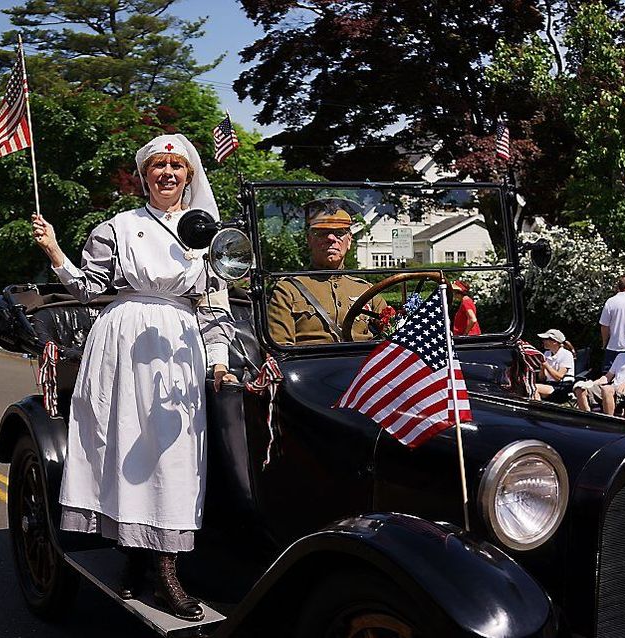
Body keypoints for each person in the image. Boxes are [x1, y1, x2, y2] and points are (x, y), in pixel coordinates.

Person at [31, 133, 237, 621]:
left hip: (177, 345)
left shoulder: (208, 232)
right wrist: (56, 251)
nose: (168, 173)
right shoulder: (118, 228)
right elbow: (89, 288)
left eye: (177, 165)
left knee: (172, 455)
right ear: (144, 175)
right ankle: (133, 556)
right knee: (123, 446)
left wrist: (219, 360)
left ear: (189, 174)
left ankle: (165, 569)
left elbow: (214, 303)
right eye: (158, 166)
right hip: (122, 338)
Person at [266, 200, 385, 344]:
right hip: (311, 364)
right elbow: (281, 349)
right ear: (309, 240)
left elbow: (394, 335)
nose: (331, 238)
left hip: (364, 363)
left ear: (349, 241)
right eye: (322, 233)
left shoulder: (366, 291)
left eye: (339, 233)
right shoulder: (288, 290)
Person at [574, 326, 625, 415]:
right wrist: (592, 383)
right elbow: (608, 377)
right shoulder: (621, 356)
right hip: (613, 388)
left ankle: (609, 422)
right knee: (580, 388)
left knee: (607, 389)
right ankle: (587, 417)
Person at [532, 329, 576, 402]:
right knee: (528, 387)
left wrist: (546, 365)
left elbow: (558, 377)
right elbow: (542, 379)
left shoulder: (566, 354)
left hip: (563, 386)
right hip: (549, 384)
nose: (543, 341)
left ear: (554, 342)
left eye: (546, 339)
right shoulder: (546, 354)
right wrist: (542, 368)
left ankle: (538, 410)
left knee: (533, 388)